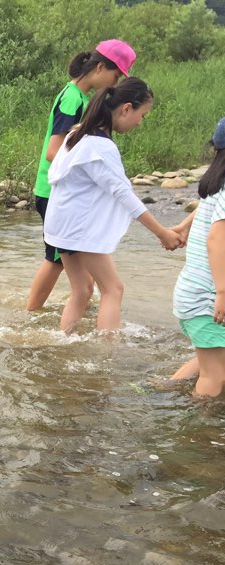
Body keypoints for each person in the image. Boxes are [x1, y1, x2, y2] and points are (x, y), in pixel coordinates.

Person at [45, 79, 184, 334]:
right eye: (142, 115)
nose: (140, 122)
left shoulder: (77, 133)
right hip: (78, 230)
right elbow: (124, 195)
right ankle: (107, 358)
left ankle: (63, 342)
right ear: (126, 108)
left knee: (83, 290)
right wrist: (161, 232)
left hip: (60, 224)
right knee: (113, 289)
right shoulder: (101, 146)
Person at [26, 39, 136, 311]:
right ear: (100, 67)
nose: (116, 84)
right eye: (116, 75)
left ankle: (62, 315)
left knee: (74, 275)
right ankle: (29, 315)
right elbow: (55, 151)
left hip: (62, 192)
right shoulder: (73, 98)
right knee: (55, 262)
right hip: (55, 192)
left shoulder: (81, 96)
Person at [172, 118, 225, 396]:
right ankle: (200, 433)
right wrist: (221, 293)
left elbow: (206, 209)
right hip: (206, 300)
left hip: (194, 294)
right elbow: (217, 239)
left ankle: (161, 389)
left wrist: (183, 225)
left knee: (211, 358)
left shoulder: (217, 186)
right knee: (215, 375)